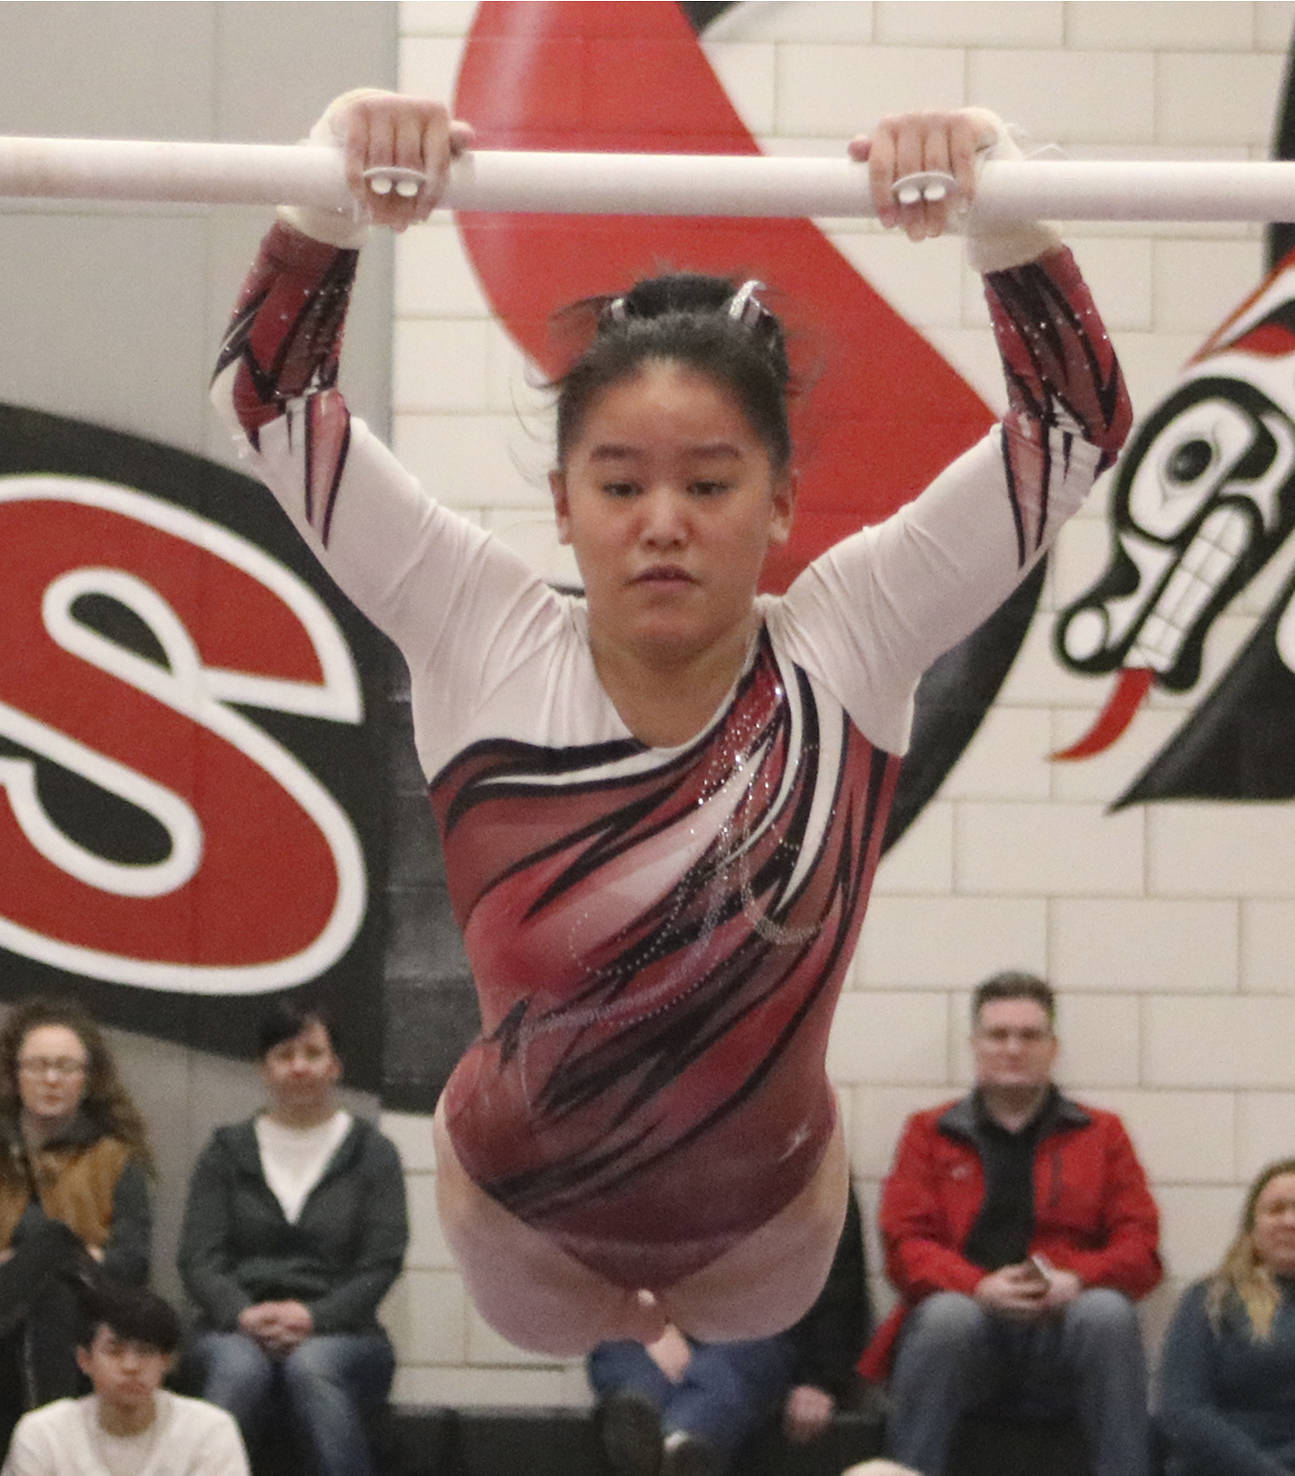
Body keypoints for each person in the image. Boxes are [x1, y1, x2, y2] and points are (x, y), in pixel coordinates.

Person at [210, 88, 1131, 1356]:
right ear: (561, 501)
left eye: (708, 483)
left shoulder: (847, 638)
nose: (661, 521)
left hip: (764, 1230)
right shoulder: (482, 628)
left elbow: (1071, 429)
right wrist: (330, 185)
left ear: (782, 502)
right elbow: (273, 408)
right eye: (619, 481)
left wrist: (999, 196)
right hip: (520, 1219)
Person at [860, 970, 1161, 1476]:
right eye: (998, 1035)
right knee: (945, 1317)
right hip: (965, 1336)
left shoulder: (1102, 1134)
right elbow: (905, 1246)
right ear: (976, 1045)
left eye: (1029, 1035)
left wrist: (1077, 1280)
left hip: (1066, 1332)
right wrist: (978, 1286)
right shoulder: (927, 1133)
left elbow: (1141, 1248)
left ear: (1052, 1047)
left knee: (1107, 1315)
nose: (1013, 1047)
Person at [177, 1003, 407, 1476]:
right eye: (284, 1054)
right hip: (233, 1327)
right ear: (263, 1068)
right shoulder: (225, 1151)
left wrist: (313, 1316)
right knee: (239, 1370)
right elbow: (198, 1259)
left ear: (335, 1066)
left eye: (312, 1052)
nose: (299, 1066)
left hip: (346, 1335)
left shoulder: (373, 1153)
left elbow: (381, 1264)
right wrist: (243, 1314)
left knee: (312, 1368)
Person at [588, 1186, 870, 1475]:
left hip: (749, 1334)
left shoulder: (807, 1162)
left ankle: (671, 1441)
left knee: (740, 1366)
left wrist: (822, 1379)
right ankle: (673, 1441)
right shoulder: (645, 1154)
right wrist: (655, 1325)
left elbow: (836, 1276)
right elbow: (612, 1252)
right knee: (623, 1354)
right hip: (652, 1326)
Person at [0, 998, 153, 1447]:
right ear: (15, 1075)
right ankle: (51, 1453)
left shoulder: (115, 1159)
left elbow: (131, 1263)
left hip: (92, 1312)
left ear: (86, 1080)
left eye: (66, 1067)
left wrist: (42, 1256)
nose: (51, 1079)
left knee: (54, 1246)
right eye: (39, 1066)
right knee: (49, 1278)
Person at [1, 1279, 249, 1476]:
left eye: (146, 1352)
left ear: (167, 1361)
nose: (131, 1367)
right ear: (84, 1360)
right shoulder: (44, 1434)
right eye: (114, 1351)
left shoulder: (210, 1431)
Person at [1157, 1157, 1295, 1475]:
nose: (1289, 1220)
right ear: (1252, 1229)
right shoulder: (1209, 1299)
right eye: (1276, 1210)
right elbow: (1183, 1411)